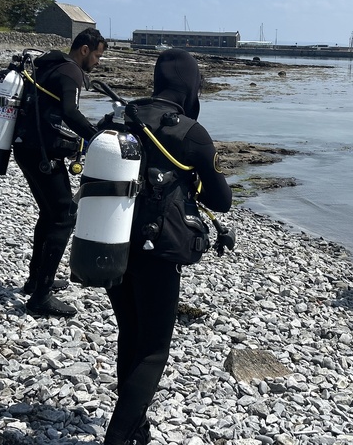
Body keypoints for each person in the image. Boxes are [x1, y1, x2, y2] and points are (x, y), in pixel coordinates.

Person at [102, 49, 234, 445]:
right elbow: (221, 200)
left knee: (130, 333)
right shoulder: (190, 132)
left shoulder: (117, 118)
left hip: (109, 239)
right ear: (192, 87)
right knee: (155, 348)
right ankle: (118, 435)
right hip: (156, 252)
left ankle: (135, 428)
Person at [13, 27, 108, 318]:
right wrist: (96, 137)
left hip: (26, 148)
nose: (98, 61)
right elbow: (69, 111)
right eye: (97, 55)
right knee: (64, 217)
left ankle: (34, 281)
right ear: (84, 50)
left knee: (50, 213)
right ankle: (41, 297)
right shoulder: (70, 72)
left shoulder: (50, 66)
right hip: (43, 154)